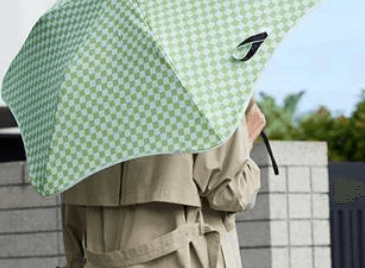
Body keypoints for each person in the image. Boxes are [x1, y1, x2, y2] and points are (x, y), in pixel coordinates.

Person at [61, 96, 267, 267]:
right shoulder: (202, 82)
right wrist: (247, 138)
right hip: (183, 258)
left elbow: (73, 222)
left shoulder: (78, 99)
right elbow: (232, 193)